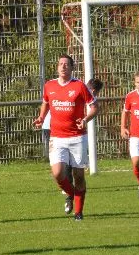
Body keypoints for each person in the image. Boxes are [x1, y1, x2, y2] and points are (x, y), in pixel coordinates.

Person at [32, 54, 98, 221]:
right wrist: (41, 117)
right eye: (60, 64)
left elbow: (94, 107)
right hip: (57, 137)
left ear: (72, 67)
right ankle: (73, 194)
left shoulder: (79, 86)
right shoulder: (49, 86)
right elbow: (45, 103)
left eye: (66, 64)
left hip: (77, 137)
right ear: (57, 67)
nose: (63, 66)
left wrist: (85, 120)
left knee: (79, 176)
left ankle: (78, 212)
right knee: (57, 173)